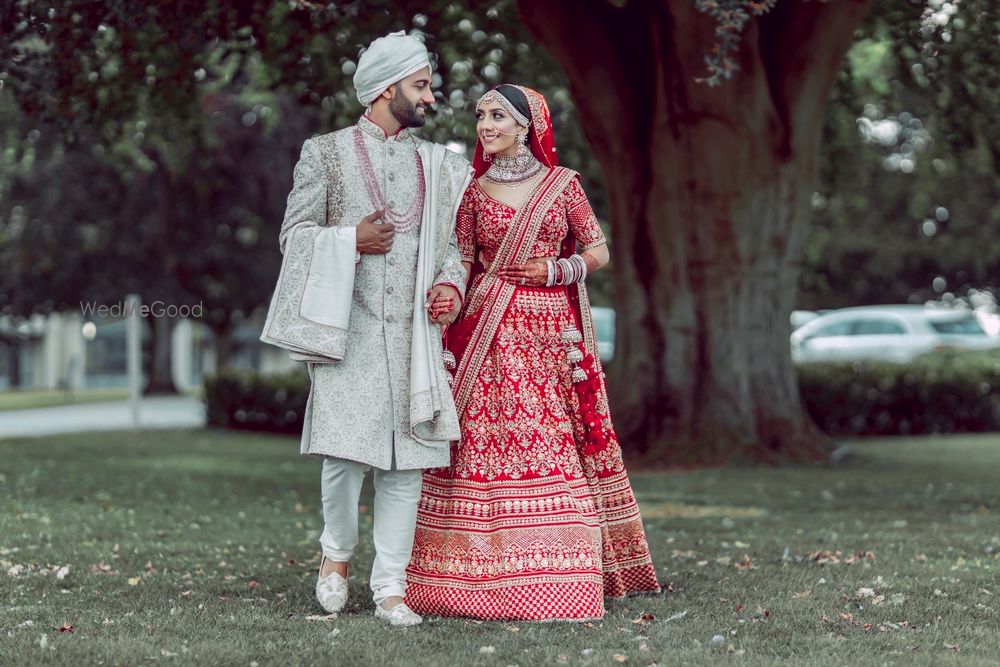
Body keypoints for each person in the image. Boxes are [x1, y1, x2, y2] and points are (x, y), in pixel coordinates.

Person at [405, 85, 660, 621]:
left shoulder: (563, 186)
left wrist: (554, 269)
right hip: (485, 335)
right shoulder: (473, 193)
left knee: (548, 438)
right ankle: (459, 585)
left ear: (527, 125)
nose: (485, 125)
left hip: (547, 335)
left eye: (497, 116)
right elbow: (461, 254)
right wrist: (450, 290)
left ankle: (561, 579)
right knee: (482, 441)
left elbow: (598, 250)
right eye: (479, 116)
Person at [260, 31, 472, 626]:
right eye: (421, 85)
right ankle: (335, 561)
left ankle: (391, 588)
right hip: (347, 332)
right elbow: (292, 238)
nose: (431, 97)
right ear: (386, 89)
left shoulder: (439, 165)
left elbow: (456, 246)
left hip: (413, 338)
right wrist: (350, 239)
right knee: (345, 459)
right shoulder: (324, 153)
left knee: (407, 464)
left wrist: (451, 284)